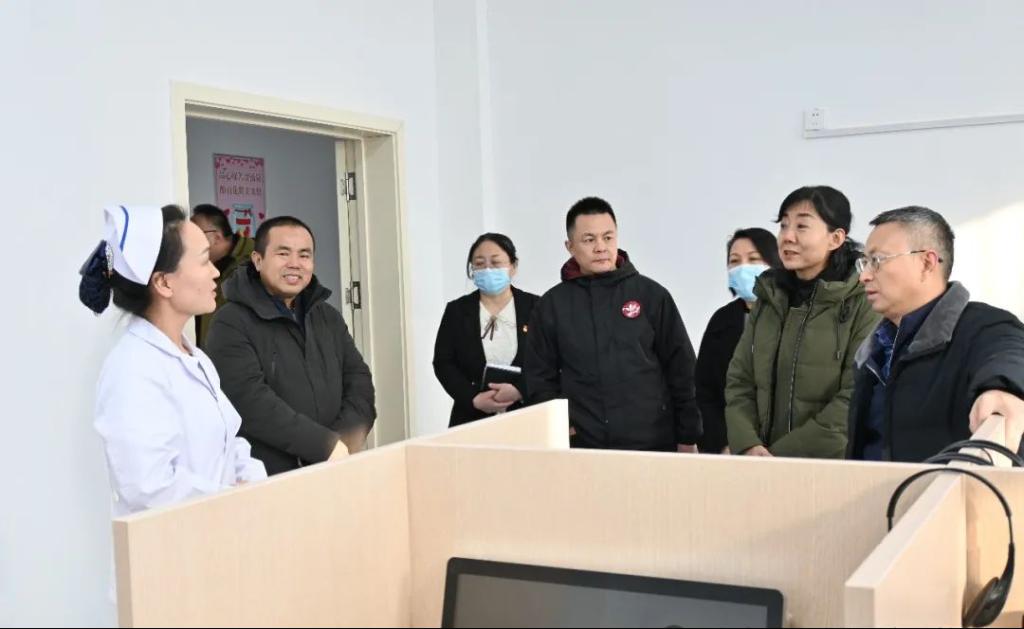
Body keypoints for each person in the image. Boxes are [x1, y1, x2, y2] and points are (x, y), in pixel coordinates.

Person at [80, 205, 266, 516]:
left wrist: (252, 482)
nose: (215, 272)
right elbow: (148, 486)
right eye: (204, 260)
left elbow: (227, 441)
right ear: (164, 283)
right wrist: (230, 499)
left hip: (222, 527)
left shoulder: (195, 357)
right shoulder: (132, 370)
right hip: (174, 539)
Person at [524, 196, 702, 452]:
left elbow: (682, 369)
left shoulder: (651, 295)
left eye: (608, 238)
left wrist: (689, 434)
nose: (600, 247)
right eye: (589, 240)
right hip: (583, 446)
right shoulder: (552, 305)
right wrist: (561, 428)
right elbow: (539, 378)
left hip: (653, 443)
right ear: (570, 246)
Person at [847, 206, 1024, 461]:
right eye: (864, 263)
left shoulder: (985, 327)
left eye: (877, 261)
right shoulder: (873, 351)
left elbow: (1010, 354)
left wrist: (1002, 390)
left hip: (943, 485)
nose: (863, 276)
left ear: (926, 263)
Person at [205, 216, 376, 475]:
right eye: (283, 253)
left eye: (304, 255)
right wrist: (323, 446)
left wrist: (343, 441)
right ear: (258, 260)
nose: (295, 263)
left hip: (336, 467)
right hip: (270, 477)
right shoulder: (230, 322)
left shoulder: (327, 316)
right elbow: (251, 403)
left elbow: (359, 382)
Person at [725, 186, 880, 459]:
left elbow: (856, 396)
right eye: (784, 225)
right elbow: (740, 380)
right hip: (759, 463)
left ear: (835, 238)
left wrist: (781, 456)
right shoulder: (769, 297)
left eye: (802, 226)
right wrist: (748, 444)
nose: (787, 236)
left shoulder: (863, 301)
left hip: (830, 467)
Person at [433, 233, 540, 427]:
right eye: (480, 264)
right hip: (470, 418)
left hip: (527, 415)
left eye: (496, 263)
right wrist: (473, 398)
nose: (488, 270)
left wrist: (520, 390)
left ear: (513, 266)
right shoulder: (457, 310)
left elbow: (551, 360)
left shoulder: (536, 307)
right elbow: (443, 363)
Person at [695, 228, 782, 454]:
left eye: (753, 259)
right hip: (733, 452)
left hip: (788, 450)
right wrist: (724, 444)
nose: (743, 268)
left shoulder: (797, 315)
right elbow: (704, 393)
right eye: (734, 261)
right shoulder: (722, 321)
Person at [190, 204, 256, 347]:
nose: (189, 240)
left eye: (195, 233)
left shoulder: (253, 267)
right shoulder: (202, 265)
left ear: (216, 237)